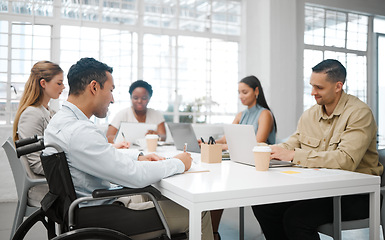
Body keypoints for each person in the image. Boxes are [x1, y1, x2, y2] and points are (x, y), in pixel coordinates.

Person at [43, 57, 213, 240]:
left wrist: (137, 156)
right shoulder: (80, 131)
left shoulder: (60, 122)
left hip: (84, 209)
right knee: (199, 211)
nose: (113, 99)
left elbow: (103, 156)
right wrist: (178, 163)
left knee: (162, 196)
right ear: (94, 87)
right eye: (110, 90)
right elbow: (135, 176)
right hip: (104, 216)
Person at [252, 59, 383, 240]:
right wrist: (269, 150)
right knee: (264, 206)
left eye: (319, 88)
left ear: (338, 86)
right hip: (320, 189)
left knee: (296, 219)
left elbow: (345, 161)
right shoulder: (310, 114)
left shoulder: (359, 113)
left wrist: (293, 155)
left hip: (355, 194)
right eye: (312, 86)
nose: (313, 92)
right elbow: (293, 143)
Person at [208, 75, 277, 240]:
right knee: (217, 186)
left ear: (256, 91)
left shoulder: (265, 114)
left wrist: (224, 146)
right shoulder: (241, 115)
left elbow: (258, 142)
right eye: (239, 92)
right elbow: (226, 138)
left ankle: (213, 233)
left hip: (261, 168)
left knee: (221, 186)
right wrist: (210, 143)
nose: (241, 96)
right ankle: (212, 233)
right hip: (244, 164)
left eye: (245, 92)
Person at [13, 60, 64, 175]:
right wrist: (70, 171)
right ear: (43, 83)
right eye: (59, 83)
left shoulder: (51, 112)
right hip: (45, 186)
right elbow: (37, 164)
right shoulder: (31, 114)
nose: (64, 87)